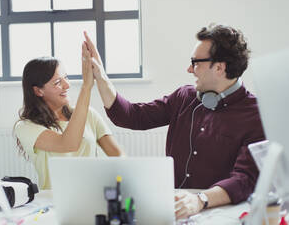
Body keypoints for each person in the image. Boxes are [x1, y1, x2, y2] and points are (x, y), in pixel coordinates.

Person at [82, 24, 265, 219]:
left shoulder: (256, 114)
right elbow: (132, 116)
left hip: (218, 213)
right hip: (175, 210)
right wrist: (100, 76)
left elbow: (244, 179)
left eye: (195, 63)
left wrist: (199, 199)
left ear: (219, 67)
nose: (189, 69)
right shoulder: (184, 97)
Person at [14, 45, 123, 190]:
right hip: (54, 202)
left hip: (92, 196)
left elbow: (118, 156)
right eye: (58, 82)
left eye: (66, 77)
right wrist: (86, 87)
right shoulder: (26, 127)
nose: (67, 85)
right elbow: (68, 144)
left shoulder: (89, 114)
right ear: (38, 90)